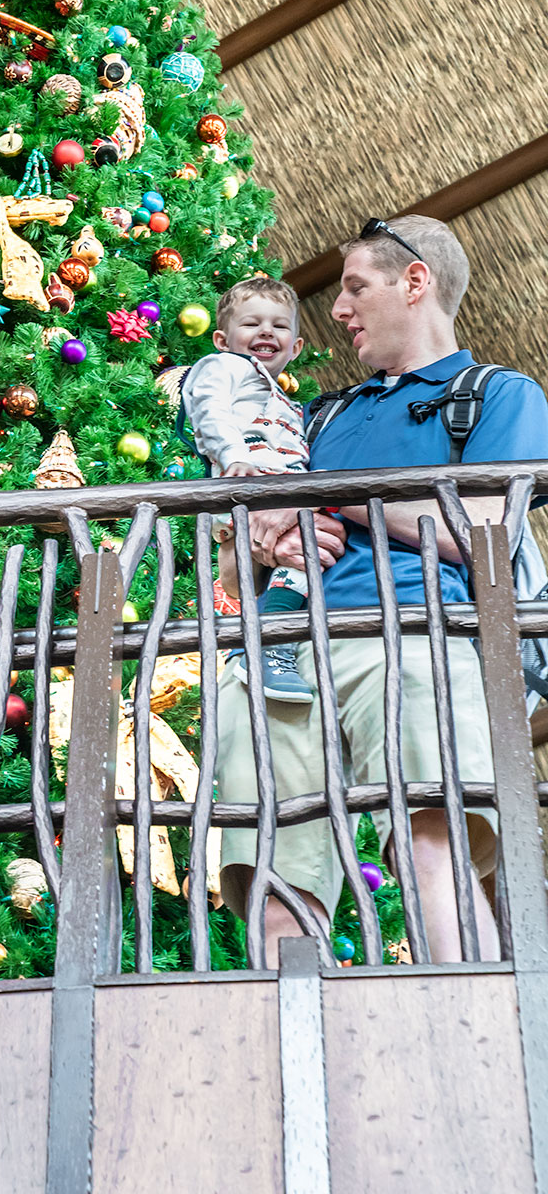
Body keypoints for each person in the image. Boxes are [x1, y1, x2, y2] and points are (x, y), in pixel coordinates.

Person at [215, 213, 548, 964]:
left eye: (356, 287)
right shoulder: (318, 414)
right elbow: (241, 563)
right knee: (277, 883)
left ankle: (475, 1036)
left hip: (418, 637)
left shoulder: (496, 395)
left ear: (415, 282)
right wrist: (269, 538)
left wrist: (339, 495)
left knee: (431, 841)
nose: (337, 310)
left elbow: (483, 530)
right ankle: (296, 1056)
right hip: (278, 649)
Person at [181, 275, 313, 701]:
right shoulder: (226, 367)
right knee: (309, 547)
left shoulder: (286, 401)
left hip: (279, 491)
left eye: (279, 326)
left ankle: (260, 639)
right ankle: (270, 644)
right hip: (249, 483)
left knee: (306, 556)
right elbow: (209, 407)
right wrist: (234, 454)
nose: (266, 332)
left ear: (295, 347)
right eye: (252, 323)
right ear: (222, 339)